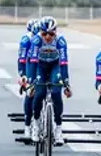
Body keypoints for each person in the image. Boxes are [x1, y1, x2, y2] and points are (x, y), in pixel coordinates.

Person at [27, 16, 72, 146]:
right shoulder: (36, 41)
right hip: (40, 66)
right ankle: (35, 124)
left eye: (51, 34)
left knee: (56, 93)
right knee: (39, 93)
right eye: (44, 33)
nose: (47, 37)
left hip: (55, 65)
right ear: (40, 32)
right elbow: (33, 62)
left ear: (55, 32)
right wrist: (31, 82)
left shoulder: (60, 41)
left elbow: (64, 63)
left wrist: (66, 83)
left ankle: (58, 129)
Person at [17, 18, 40, 139]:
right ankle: (27, 125)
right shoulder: (26, 40)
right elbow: (22, 59)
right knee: (30, 93)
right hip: (29, 63)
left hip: (43, 64)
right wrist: (23, 75)